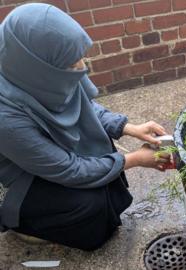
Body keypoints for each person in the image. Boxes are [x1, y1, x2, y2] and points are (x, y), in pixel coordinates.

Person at [0, 3, 172, 251]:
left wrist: (128, 127)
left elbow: (83, 107)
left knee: (103, 156)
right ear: (38, 66)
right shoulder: (6, 117)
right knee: (89, 205)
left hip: (45, 157)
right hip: (20, 179)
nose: (81, 67)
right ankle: (24, 224)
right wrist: (133, 159)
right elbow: (68, 169)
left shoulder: (35, 72)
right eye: (71, 64)